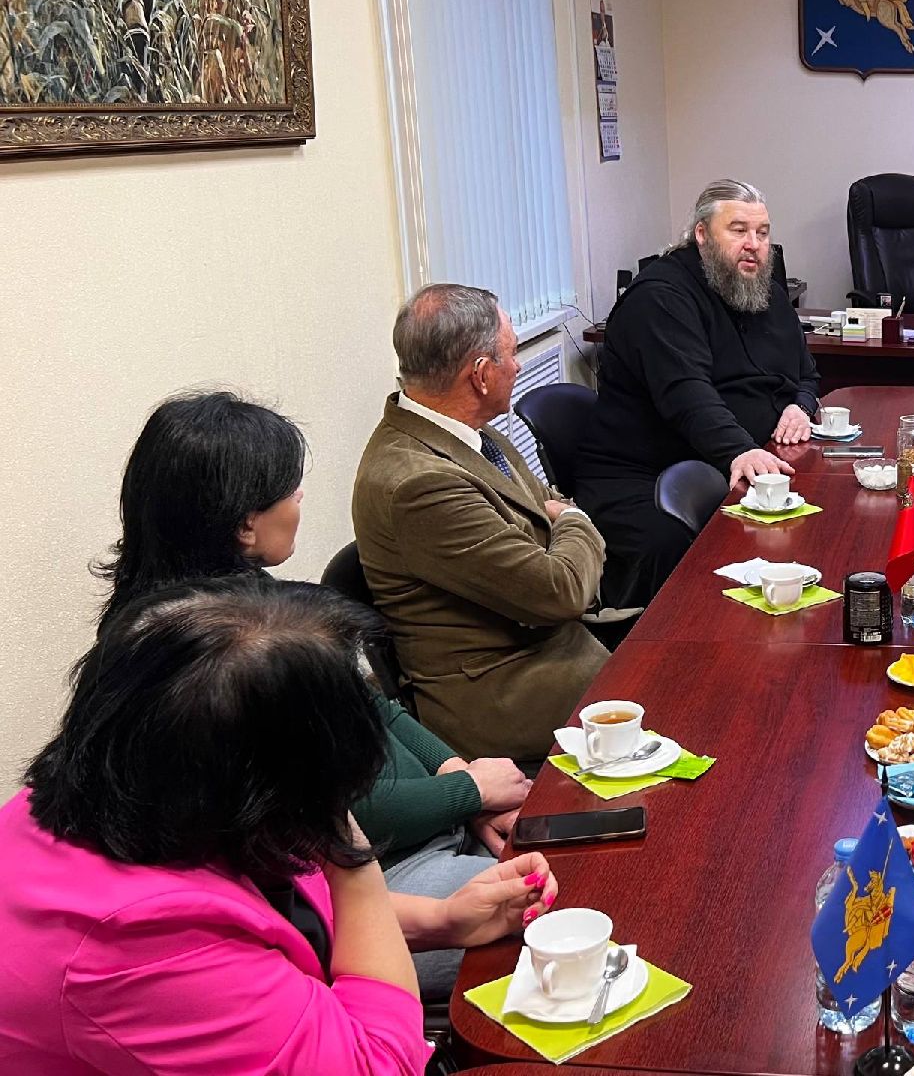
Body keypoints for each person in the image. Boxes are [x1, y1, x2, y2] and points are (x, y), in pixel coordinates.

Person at [0, 576, 560, 1073]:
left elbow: (275, 917)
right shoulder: (136, 941)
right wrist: (352, 857)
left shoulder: (124, 789)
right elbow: (381, 1064)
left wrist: (444, 919)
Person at [99, 390, 533, 998]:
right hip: (371, 878)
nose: (301, 499)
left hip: (419, 834)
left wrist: (464, 782)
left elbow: (377, 706)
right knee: (563, 934)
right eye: (290, 488)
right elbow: (341, 814)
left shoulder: (252, 597)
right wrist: (467, 792)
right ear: (245, 523)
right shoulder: (214, 658)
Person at [354, 283, 609, 762]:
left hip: (555, 649)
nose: (517, 367)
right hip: (511, 697)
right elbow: (561, 588)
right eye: (511, 355)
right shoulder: (418, 484)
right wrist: (575, 517)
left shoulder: (467, 430)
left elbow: (542, 502)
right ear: (481, 374)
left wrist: (561, 519)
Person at [576, 178, 823, 607]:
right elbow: (687, 394)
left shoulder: (762, 290)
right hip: (646, 477)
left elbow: (807, 373)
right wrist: (739, 450)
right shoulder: (661, 297)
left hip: (737, 461)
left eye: (762, 233)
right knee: (705, 557)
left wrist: (800, 406)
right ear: (702, 234)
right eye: (738, 230)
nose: (754, 245)